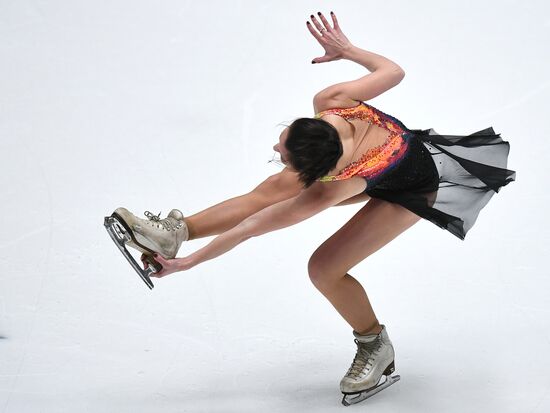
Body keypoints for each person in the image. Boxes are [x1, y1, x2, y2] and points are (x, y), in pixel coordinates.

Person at [109, 11, 516, 405]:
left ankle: (375, 345)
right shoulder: (333, 100)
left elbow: (252, 225)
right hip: (379, 164)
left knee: (323, 268)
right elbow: (394, 71)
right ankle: (172, 233)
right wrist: (348, 49)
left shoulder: (331, 190)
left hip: (412, 187)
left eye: (282, 153)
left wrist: (189, 264)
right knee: (272, 186)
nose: (274, 148)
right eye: (283, 140)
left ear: (320, 173)